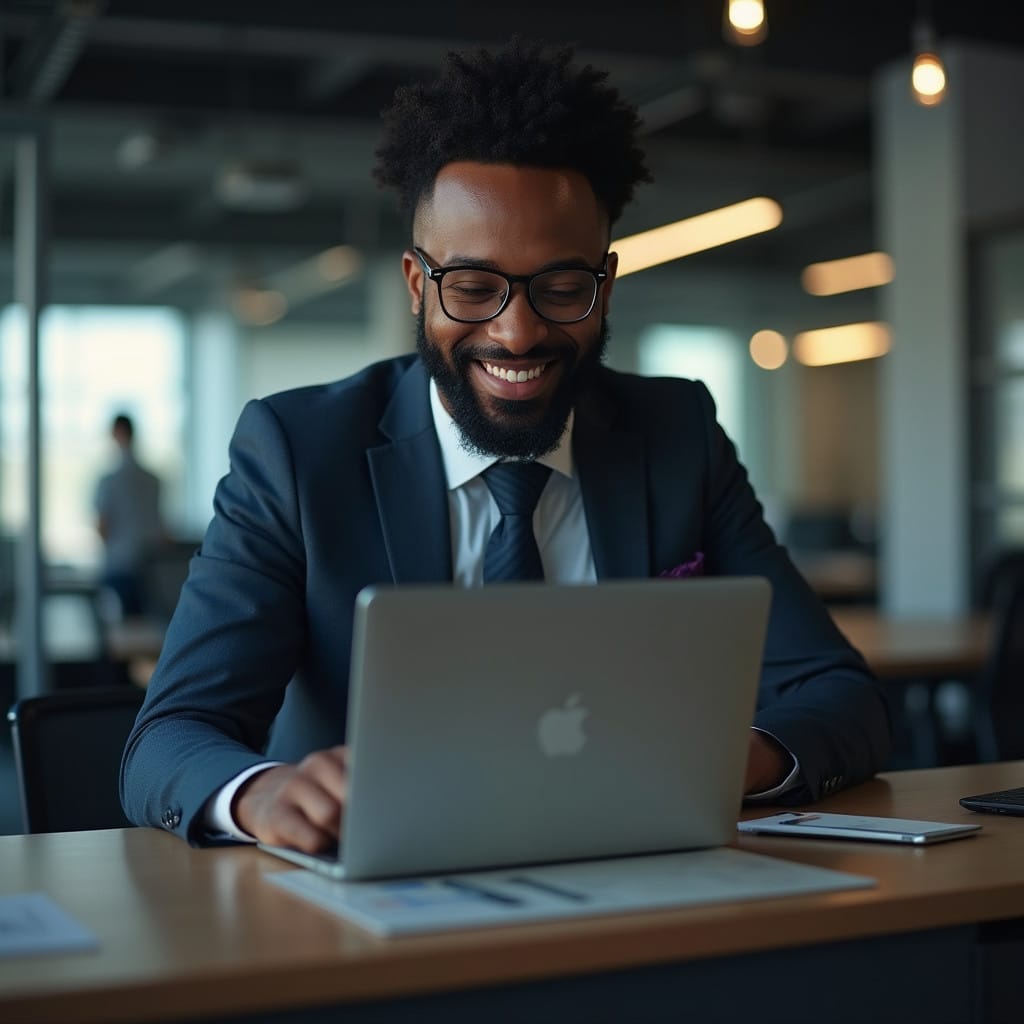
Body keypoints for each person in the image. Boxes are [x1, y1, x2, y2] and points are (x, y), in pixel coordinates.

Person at [121, 39, 891, 849]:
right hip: (368, 889)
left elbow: (843, 696)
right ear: (419, 285)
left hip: (632, 866)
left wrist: (727, 760)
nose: (517, 332)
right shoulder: (299, 451)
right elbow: (166, 741)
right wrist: (261, 794)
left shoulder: (677, 436)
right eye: (474, 287)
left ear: (606, 284)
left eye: (561, 288)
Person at [94, 412, 166, 617]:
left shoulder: (108, 482)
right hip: (149, 568)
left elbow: (102, 527)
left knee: (120, 632)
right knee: (147, 629)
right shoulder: (154, 480)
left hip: (119, 568)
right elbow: (161, 529)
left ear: (116, 434)